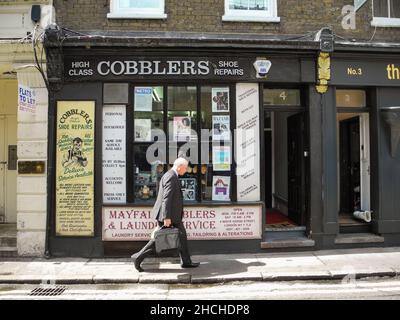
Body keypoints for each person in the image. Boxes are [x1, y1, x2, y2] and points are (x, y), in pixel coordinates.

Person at [131, 157, 200, 272]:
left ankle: (186, 262)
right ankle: (138, 258)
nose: (186, 170)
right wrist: (166, 217)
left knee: (182, 237)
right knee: (157, 240)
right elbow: (166, 198)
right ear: (179, 166)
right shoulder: (171, 177)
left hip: (173, 215)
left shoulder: (171, 175)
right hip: (169, 216)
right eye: (185, 168)